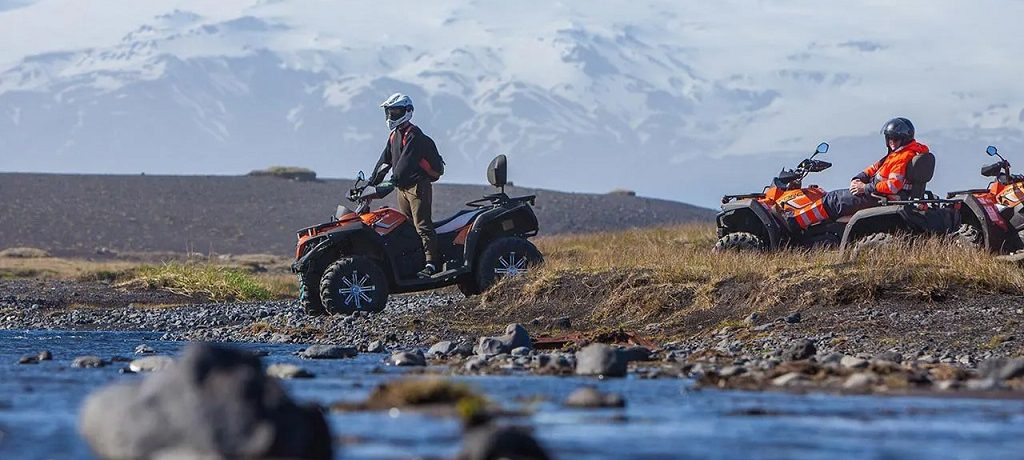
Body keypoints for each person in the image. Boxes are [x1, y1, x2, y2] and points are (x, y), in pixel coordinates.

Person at [788, 117, 930, 230]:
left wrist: (864, 188)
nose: (892, 142)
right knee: (837, 197)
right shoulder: (901, 153)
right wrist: (859, 178)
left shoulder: (902, 157)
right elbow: (875, 168)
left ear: (903, 139)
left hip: (880, 196)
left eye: (895, 139)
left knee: (832, 200)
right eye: (889, 138)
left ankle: (793, 224)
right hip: (880, 194)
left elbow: (893, 186)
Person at [368, 93, 445, 277]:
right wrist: (371, 183)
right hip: (402, 188)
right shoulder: (394, 136)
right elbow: (384, 162)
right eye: (389, 112)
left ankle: (432, 263)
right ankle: (416, 260)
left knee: (422, 225)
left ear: (407, 111)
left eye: (395, 111)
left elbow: (405, 163)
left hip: (417, 187)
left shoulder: (414, 135)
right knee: (407, 226)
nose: (391, 116)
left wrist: (391, 182)